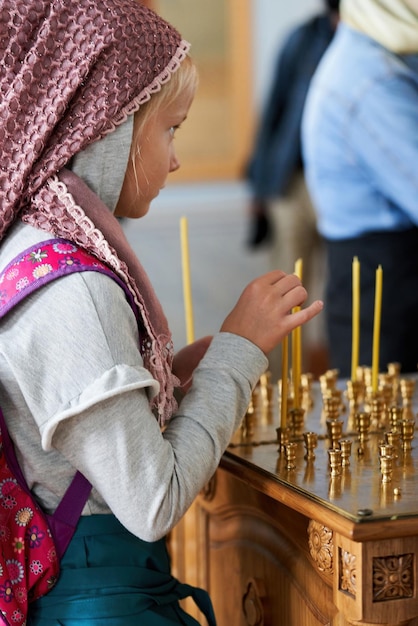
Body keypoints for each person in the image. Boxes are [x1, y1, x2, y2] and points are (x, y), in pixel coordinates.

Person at [0, 1, 323, 624]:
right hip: (102, 602)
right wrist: (237, 349)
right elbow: (152, 499)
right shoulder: (73, 291)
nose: (175, 158)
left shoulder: (31, 250)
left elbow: (70, 433)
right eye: (171, 128)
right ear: (108, 128)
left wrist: (173, 374)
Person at [302, 0, 418, 378]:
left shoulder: (376, 55)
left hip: (380, 274)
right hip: (383, 283)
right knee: (385, 426)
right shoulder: (372, 78)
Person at [245, 0, 339, 377]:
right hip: (291, 181)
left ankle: (345, 380)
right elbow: (274, 110)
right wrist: (259, 184)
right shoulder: (302, 39)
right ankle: (285, 386)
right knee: (287, 289)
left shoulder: (374, 40)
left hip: (340, 183)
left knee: (348, 288)